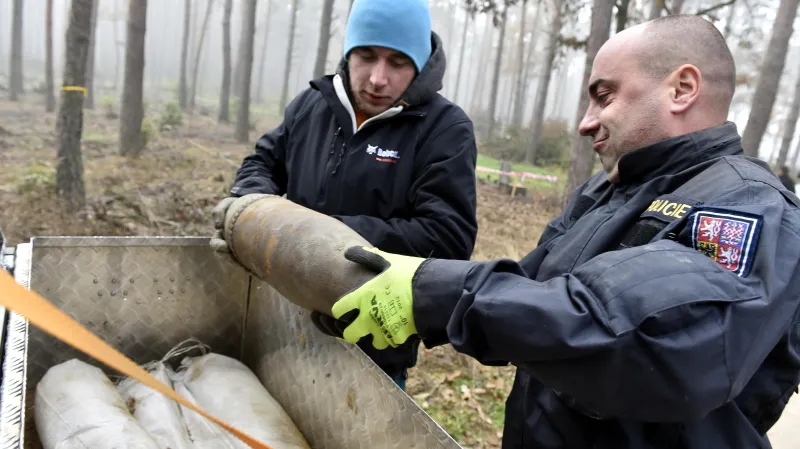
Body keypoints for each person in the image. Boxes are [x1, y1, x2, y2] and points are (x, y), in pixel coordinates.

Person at [325, 15, 800, 448]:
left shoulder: (749, 207)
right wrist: (421, 289)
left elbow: (646, 337)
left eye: (605, 95)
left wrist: (435, 293)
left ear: (681, 89)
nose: (585, 122)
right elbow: (533, 293)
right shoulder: (606, 191)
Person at [210, 0, 479, 391]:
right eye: (366, 57)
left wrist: (316, 239)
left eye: (398, 63)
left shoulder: (444, 129)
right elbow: (262, 163)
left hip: (370, 346)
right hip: (283, 329)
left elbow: (447, 240)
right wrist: (253, 210)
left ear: (420, 64)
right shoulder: (313, 104)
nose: (377, 79)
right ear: (349, 51)